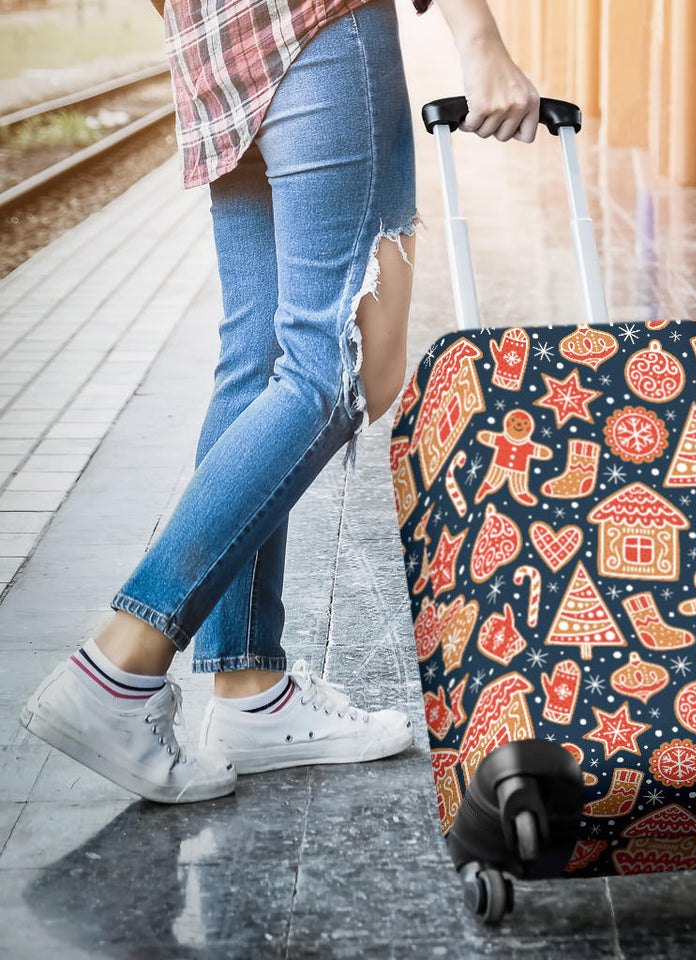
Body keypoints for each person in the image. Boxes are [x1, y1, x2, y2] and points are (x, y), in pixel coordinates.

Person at [20, 0, 540, 803]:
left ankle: (248, 690)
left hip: (214, 47)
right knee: (338, 367)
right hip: (320, 25)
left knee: (259, 361)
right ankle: (120, 666)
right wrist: (480, 40)